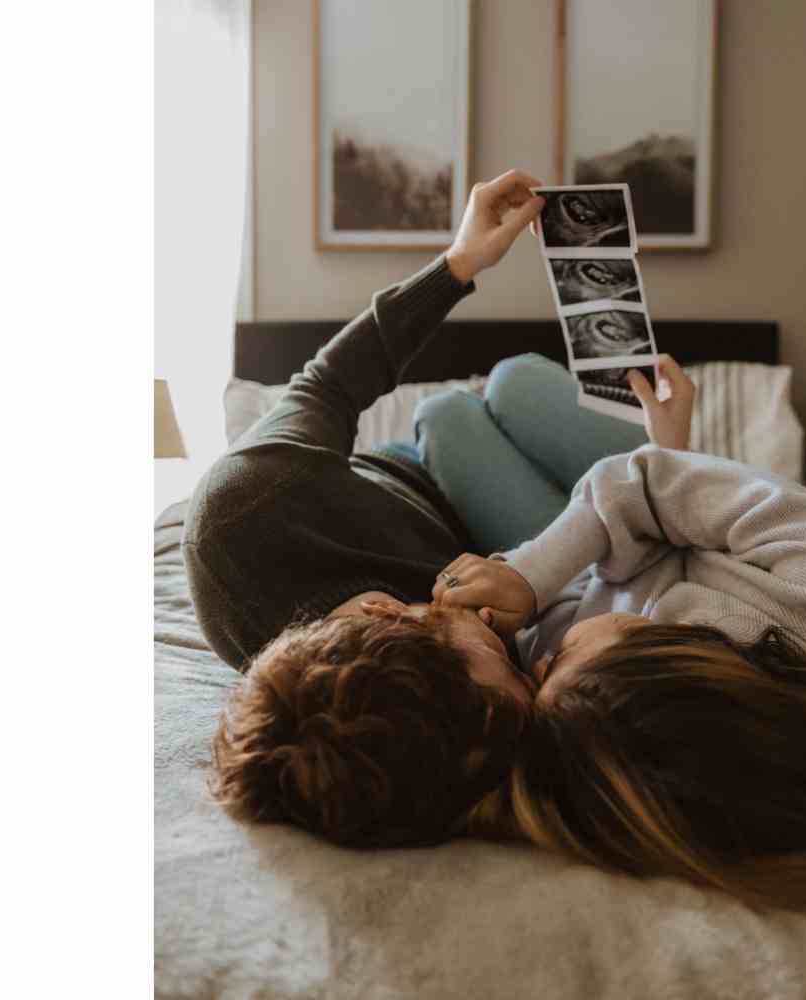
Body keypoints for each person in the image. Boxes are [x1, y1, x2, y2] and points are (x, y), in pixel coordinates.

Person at [187, 170, 550, 848]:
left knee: (472, 403)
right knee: (512, 397)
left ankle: (674, 465)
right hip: (488, 528)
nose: (515, 656)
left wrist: (460, 261)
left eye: (497, 655)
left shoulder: (252, 505)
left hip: (429, 472)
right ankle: (672, 463)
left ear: (387, 611)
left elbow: (330, 381)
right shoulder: (405, 717)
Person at [425, 363, 806, 913]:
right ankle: (675, 448)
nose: (535, 666)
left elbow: (565, 616)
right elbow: (655, 483)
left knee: (443, 418)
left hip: (619, 534)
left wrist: (515, 600)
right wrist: (529, 574)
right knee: (514, 382)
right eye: (558, 658)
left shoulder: (605, 736)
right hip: (648, 491)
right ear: (664, 655)